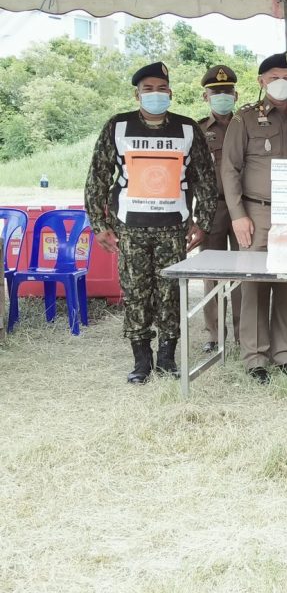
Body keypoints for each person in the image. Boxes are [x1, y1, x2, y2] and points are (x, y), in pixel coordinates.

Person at [84, 61, 216, 383]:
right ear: (137, 94)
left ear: (170, 93)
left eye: (161, 89)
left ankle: (167, 358)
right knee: (136, 294)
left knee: (170, 293)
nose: (155, 94)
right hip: (130, 229)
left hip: (174, 229)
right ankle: (141, 361)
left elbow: (205, 179)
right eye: (148, 89)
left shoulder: (187, 129)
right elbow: (98, 177)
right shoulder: (118, 126)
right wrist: (99, 225)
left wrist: (203, 221)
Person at [221, 52, 287, 383]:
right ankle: (255, 356)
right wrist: (238, 215)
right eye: (275, 77)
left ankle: (283, 352)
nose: (282, 82)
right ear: (261, 81)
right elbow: (230, 169)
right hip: (256, 213)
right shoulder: (245, 119)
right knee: (254, 283)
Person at [196, 64, 242, 353]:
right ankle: (215, 334)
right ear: (206, 97)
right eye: (216, 92)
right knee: (211, 272)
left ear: (236, 95)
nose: (222, 96)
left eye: (227, 91)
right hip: (211, 208)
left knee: (243, 272)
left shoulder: (246, 125)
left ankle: (242, 332)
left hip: (242, 209)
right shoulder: (198, 130)